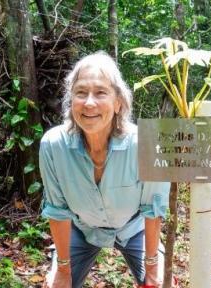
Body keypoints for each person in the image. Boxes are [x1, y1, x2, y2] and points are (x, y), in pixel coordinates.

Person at [38, 51, 170, 288]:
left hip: (134, 227)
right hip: (82, 228)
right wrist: (63, 271)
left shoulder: (146, 144)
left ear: (118, 102)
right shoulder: (53, 145)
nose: (89, 103)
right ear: (71, 101)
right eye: (80, 93)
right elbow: (57, 210)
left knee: (160, 284)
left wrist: (152, 270)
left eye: (100, 93)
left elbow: (153, 209)